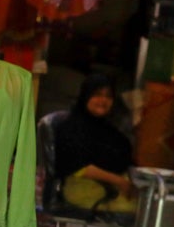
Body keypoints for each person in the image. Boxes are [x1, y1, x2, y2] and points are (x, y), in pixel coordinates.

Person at [54, 73, 137, 213]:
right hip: (81, 189)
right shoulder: (71, 127)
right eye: (97, 94)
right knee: (134, 211)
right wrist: (119, 181)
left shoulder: (109, 129)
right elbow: (79, 167)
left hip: (111, 187)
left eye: (108, 96)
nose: (103, 100)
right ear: (86, 96)